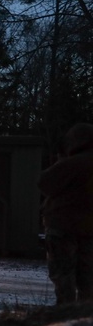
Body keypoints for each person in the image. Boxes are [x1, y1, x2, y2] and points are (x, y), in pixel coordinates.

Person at [38, 123, 93, 305]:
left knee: (63, 278)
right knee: (87, 281)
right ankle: (85, 323)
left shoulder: (73, 163)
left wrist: (60, 161)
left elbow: (44, 183)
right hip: (88, 230)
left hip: (63, 227)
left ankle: (64, 320)